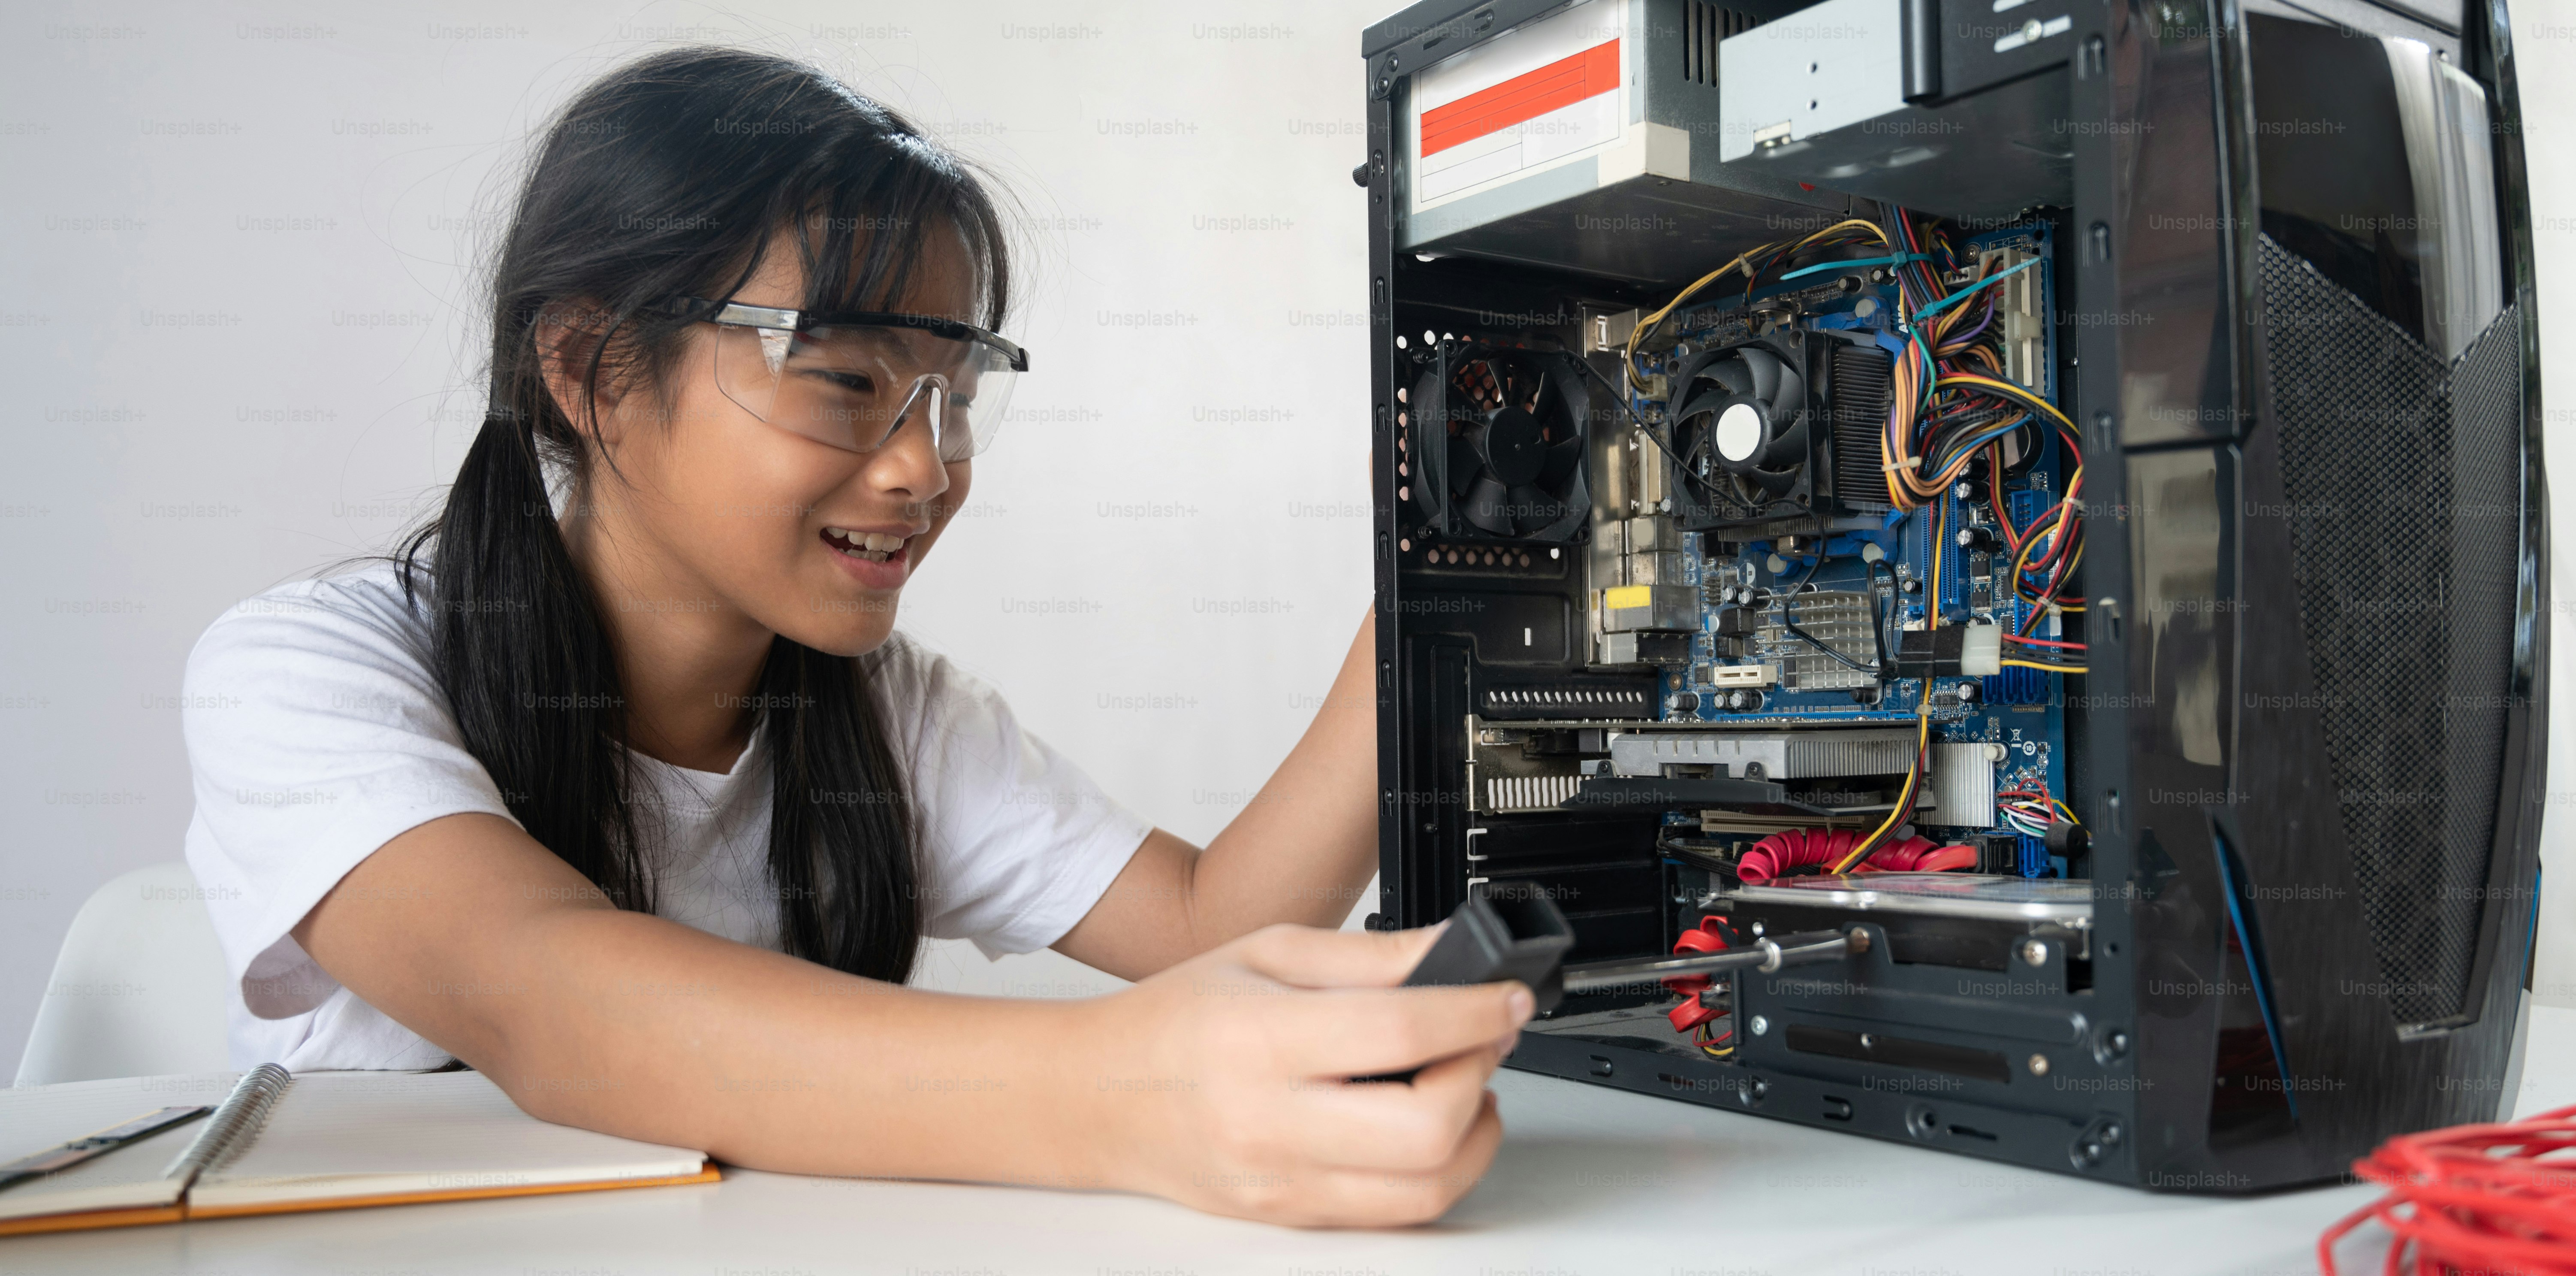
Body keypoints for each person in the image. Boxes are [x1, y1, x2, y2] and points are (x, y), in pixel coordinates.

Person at [179, 48, 1528, 1228]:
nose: (921, 470)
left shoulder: (893, 717)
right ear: (590, 370)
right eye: (845, 382)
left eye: (953, 398)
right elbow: (550, 1004)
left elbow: (1212, 930)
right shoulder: (306, 673)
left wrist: (1419, 563)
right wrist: (1121, 1095)